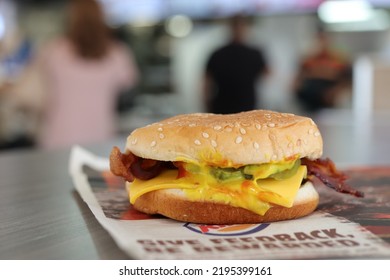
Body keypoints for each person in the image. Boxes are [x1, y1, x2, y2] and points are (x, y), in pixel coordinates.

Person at [36, 0, 139, 149]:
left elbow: (33, 89)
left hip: (57, 138)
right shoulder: (117, 53)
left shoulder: (53, 50)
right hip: (100, 138)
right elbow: (129, 83)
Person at [203, 15, 269, 114]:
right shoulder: (218, 54)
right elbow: (206, 84)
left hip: (245, 107)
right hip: (225, 107)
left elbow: (267, 73)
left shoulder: (254, 53)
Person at [293, 29, 352, 113]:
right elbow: (299, 77)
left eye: (324, 40)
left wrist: (335, 91)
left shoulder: (338, 59)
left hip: (328, 96)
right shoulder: (308, 59)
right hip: (309, 97)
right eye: (319, 40)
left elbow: (345, 79)